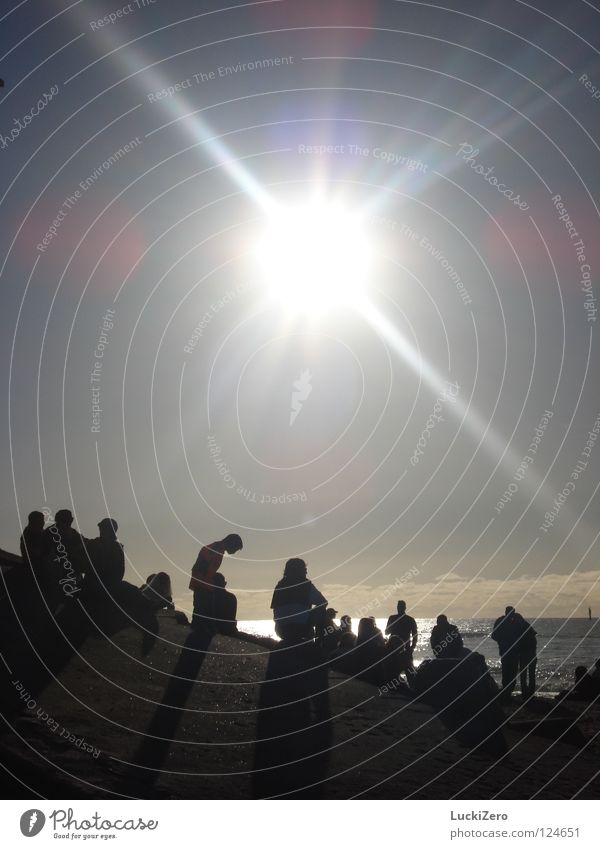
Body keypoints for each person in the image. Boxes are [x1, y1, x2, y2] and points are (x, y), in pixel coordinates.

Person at [189, 533, 243, 634]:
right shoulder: (216, 550)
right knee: (201, 610)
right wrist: (207, 584)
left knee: (202, 610)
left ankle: (200, 629)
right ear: (232, 544)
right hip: (202, 584)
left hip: (203, 583)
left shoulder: (218, 548)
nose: (234, 552)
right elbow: (201, 567)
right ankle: (198, 631)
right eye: (235, 549)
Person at [271, 558, 327, 644]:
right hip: (300, 629)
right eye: (305, 569)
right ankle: (319, 643)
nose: (306, 572)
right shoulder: (305, 585)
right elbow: (323, 602)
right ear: (299, 570)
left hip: (281, 630)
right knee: (322, 610)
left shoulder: (280, 585)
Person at [83, 518, 125, 600]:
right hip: (92, 584)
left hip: (109, 585)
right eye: (101, 528)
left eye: (103, 528)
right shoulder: (92, 544)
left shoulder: (117, 548)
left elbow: (120, 570)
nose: (101, 531)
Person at [491, 606, 523, 702]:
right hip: (511, 650)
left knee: (508, 671)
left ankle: (507, 692)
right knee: (510, 672)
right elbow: (494, 635)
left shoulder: (503, 621)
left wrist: (501, 641)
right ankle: (507, 693)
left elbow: (494, 635)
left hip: (507, 650)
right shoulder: (514, 622)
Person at [385, 600, 418, 685]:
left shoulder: (410, 619)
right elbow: (386, 632)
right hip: (393, 649)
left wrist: (412, 648)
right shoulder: (392, 618)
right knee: (393, 671)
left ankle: (412, 689)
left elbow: (415, 635)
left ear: (404, 608)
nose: (399, 608)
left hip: (405, 649)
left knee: (409, 672)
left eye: (400, 607)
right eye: (398, 606)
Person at [513, 612, 537, 699]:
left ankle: (528, 693)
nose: (515, 621)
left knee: (527, 674)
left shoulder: (522, 627)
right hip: (529, 654)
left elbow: (530, 642)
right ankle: (528, 693)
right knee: (529, 674)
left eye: (516, 620)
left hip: (527, 654)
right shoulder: (526, 626)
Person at [19, 511, 45, 579]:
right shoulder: (30, 533)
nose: (43, 522)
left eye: (43, 520)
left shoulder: (40, 533)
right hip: (35, 567)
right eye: (41, 520)